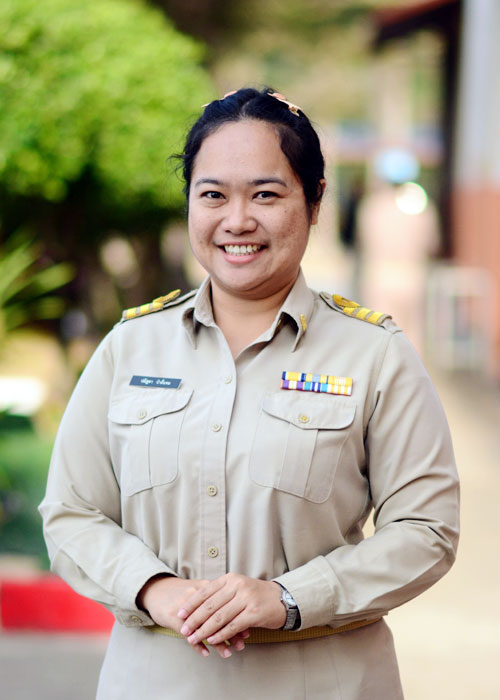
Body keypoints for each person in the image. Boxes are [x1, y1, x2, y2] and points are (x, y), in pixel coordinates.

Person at [39, 88, 459, 700]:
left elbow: (426, 529)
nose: (237, 220)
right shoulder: (130, 347)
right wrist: (155, 588)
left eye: (266, 194)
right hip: (155, 683)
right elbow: (72, 513)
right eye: (213, 194)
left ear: (314, 202)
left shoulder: (374, 354)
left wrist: (287, 598)